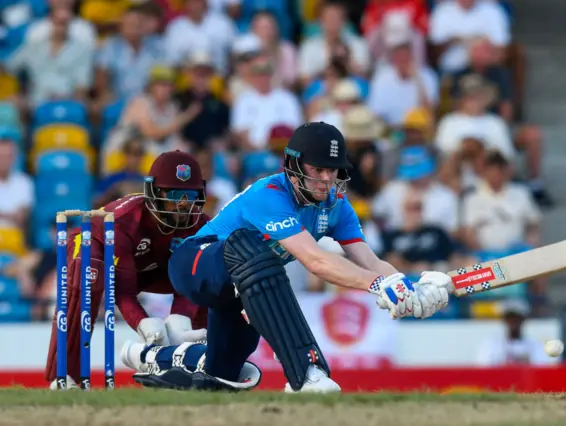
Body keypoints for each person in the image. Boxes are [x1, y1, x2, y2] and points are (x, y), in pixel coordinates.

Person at [120, 122, 453, 393]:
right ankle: (307, 373)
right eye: (319, 169)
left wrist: (408, 287)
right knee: (251, 247)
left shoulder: (336, 206)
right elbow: (316, 261)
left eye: (334, 171)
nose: (327, 179)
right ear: (293, 166)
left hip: (246, 283)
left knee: (224, 372)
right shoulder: (270, 194)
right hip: (198, 263)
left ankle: (149, 355)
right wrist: (379, 284)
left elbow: (370, 260)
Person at [45, 151, 211, 390]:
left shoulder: (202, 224)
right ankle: (66, 377)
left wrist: (180, 321)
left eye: (191, 195)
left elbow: (192, 280)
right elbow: (122, 291)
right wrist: (143, 324)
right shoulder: (124, 221)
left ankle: (197, 368)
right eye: (174, 195)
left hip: (151, 264)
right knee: (88, 274)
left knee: (210, 272)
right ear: (155, 192)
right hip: (97, 247)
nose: (183, 203)